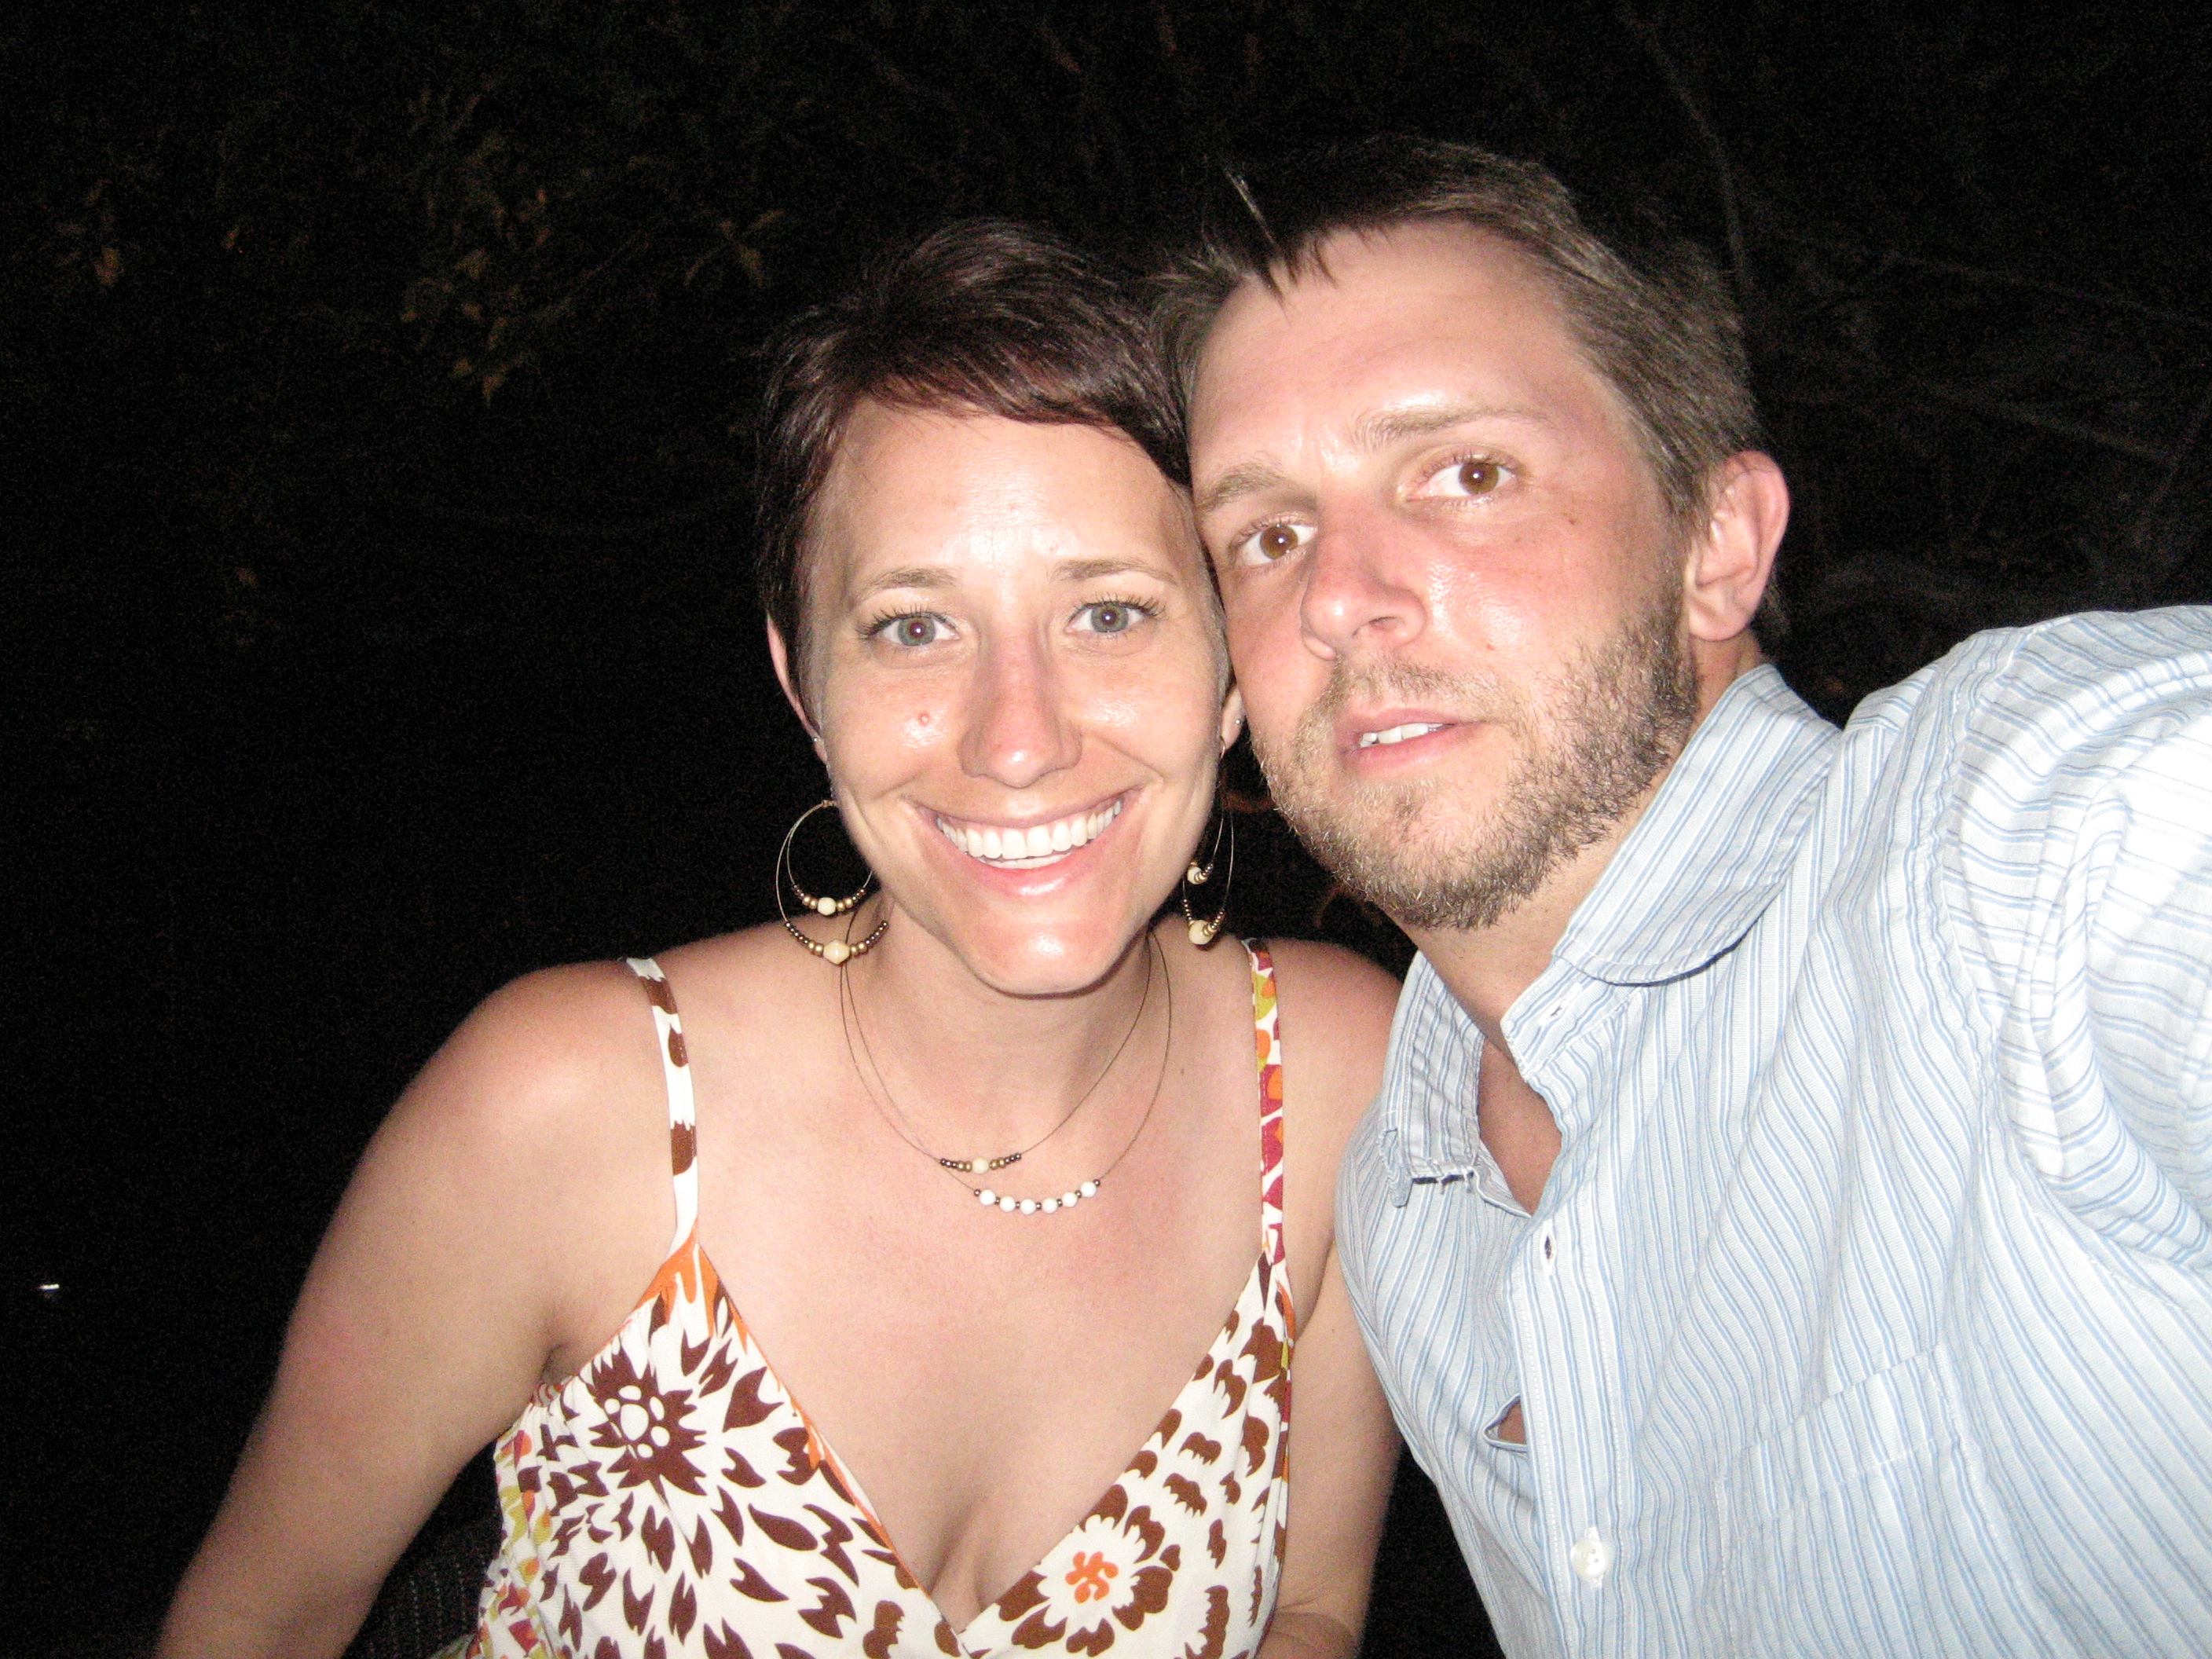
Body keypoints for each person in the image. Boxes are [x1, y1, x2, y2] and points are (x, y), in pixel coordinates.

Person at [159, 222, 1402, 1659]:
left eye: (1110, 613)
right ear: (802, 682)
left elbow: (1314, 1610)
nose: (1019, 739)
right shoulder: (570, 1112)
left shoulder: (1333, 1080)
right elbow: (257, 1622)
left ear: (1233, 664)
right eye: (913, 628)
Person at [1160, 135, 2212, 1657]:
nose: (1336, 598)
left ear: (1718, 545)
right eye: (1267, 535)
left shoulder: (2019, 840)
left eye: (1465, 475)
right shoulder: (1402, 1201)